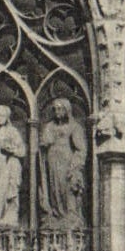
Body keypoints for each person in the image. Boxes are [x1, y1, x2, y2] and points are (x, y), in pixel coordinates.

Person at [38, 97, 87, 226]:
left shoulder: (74, 126)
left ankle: (70, 214)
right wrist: (44, 143)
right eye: (54, 109)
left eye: (60, 108)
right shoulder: (49, 126)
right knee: (54, 188)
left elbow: (81, 149)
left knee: (67, 188)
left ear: (66, 110)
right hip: (52, 160)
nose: (57, 111)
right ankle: (56, 213)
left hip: (67, 161)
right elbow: (43, 142)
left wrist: (75, 166)